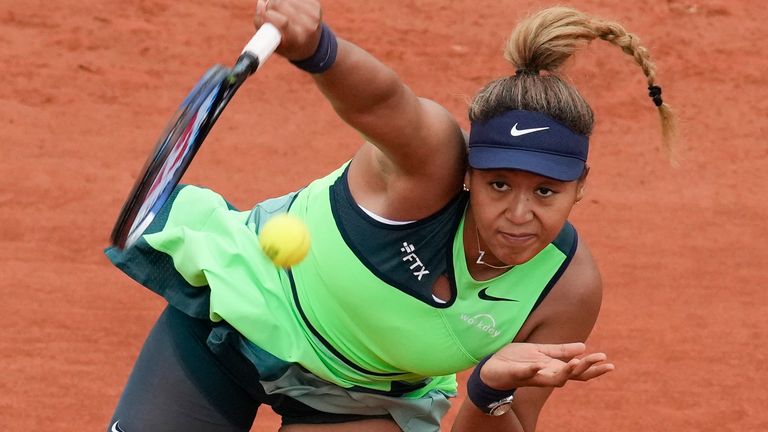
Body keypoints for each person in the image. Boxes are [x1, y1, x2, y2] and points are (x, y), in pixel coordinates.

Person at [105, 1, 675, 431]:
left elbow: (508, 424)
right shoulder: (428, 166)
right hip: (240, 313)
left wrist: (489, 388)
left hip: (366, 394)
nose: (519, 214)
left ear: (580, 190)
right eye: (499, 184)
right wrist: (315, 47)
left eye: (547, 192)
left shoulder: (567, 290)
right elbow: (383, 101)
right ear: (469, 172)